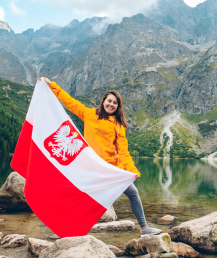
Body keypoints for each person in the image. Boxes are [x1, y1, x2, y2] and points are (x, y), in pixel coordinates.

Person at [40, 77, 162, 237]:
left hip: (112, 169)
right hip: (92, 168)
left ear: (118, 106)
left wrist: (131, 169)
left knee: (133, 193)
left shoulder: (118, 126)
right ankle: (65, 228)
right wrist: (51, 85)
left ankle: (144, 229)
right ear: (103, 101)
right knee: (79, 197)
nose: (111, 104)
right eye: (109, 101)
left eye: (115, 103)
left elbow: (123, 151)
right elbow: (69, 102)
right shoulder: (89, 114)